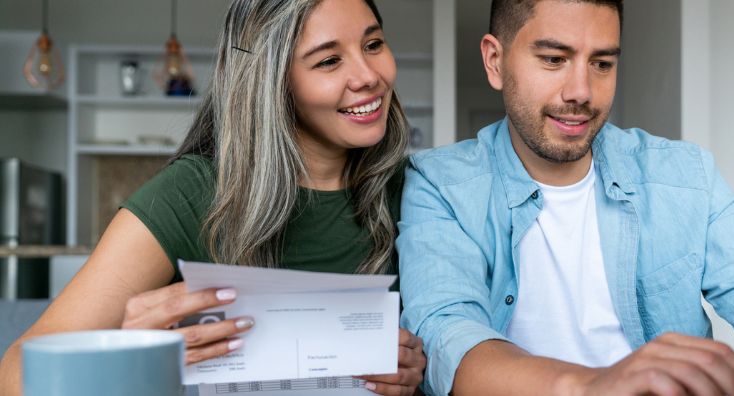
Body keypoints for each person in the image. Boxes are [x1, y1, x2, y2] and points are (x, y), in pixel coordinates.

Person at [0, 1, 425, 395]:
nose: (369, 75)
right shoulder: (190, 195)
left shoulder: (422, 192)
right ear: (271, 82)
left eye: (373, 44)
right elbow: (16, 375)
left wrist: (421, 371)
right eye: (329, 60)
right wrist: (123, 355)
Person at [397, 0, 734, 395]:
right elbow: (448, 341)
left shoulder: (687, 176)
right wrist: (595, 385)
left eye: (602, 64)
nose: (581, 92)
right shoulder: (439, 184)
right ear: (495, 61)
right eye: (554, 59)